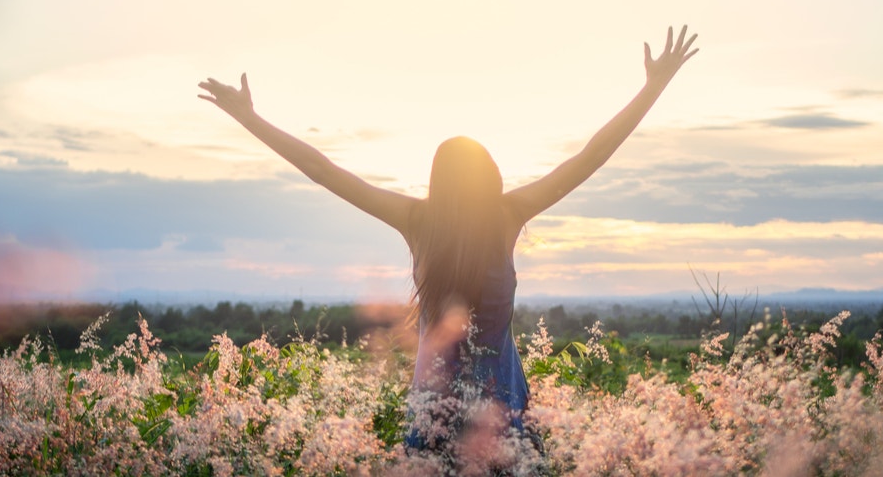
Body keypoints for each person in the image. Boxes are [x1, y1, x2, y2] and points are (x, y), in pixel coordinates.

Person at [197, 25, 698, 450]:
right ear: (490, 176)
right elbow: (589, 158)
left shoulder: (418, 220)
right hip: (502, 408)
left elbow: (321, 170)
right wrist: (652, 88)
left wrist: (249, 118)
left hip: (433, 408)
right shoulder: (507, 216)